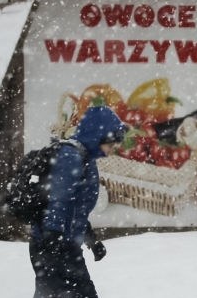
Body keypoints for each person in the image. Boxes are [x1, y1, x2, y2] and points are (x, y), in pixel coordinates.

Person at [29, 105, 127, 298]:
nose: (110, 150)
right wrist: (53, 242)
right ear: (99, 136)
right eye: (110, 144)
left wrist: (91, 240)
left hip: (61, 244)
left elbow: (76, 209)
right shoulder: (71, 156)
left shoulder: (84, 158)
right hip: (53, 244)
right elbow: (59, 201)